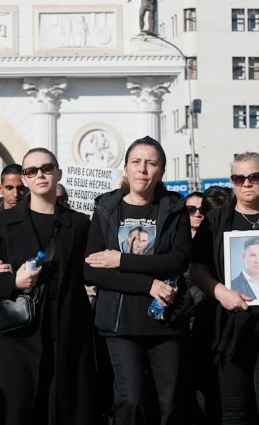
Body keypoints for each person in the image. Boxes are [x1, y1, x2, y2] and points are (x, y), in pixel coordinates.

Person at [0, 148, 96, 425]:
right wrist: (13, 281)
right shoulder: (1, 221)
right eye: (32, 171)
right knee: (19, 410)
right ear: (25, 178)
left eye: (46, 168)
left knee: (64, 408)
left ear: (58, 172)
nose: (40, 175)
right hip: (17, 332)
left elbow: (91, 270)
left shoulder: (79, 223)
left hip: (67, 329)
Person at [84, 136, 191, 425]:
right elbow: (93, 270)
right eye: (136, 162)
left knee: (169, 403)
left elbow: (179, 259)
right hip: (120, 324)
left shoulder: (174, 208)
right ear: (126, 168)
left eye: (151, 163)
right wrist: (148, 284)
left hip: (166, 320)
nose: (143, 169)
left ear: (161, 172)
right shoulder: (106, 210)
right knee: (129, 400)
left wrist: (121, 260)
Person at [190, 152, 259, 424]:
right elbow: (198, 267)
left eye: (254, 176)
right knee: (234, 412)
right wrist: (220, 292)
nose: (246, 183)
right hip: (228, 329)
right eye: (239, 178)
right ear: (233, 182)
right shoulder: (214, 222)